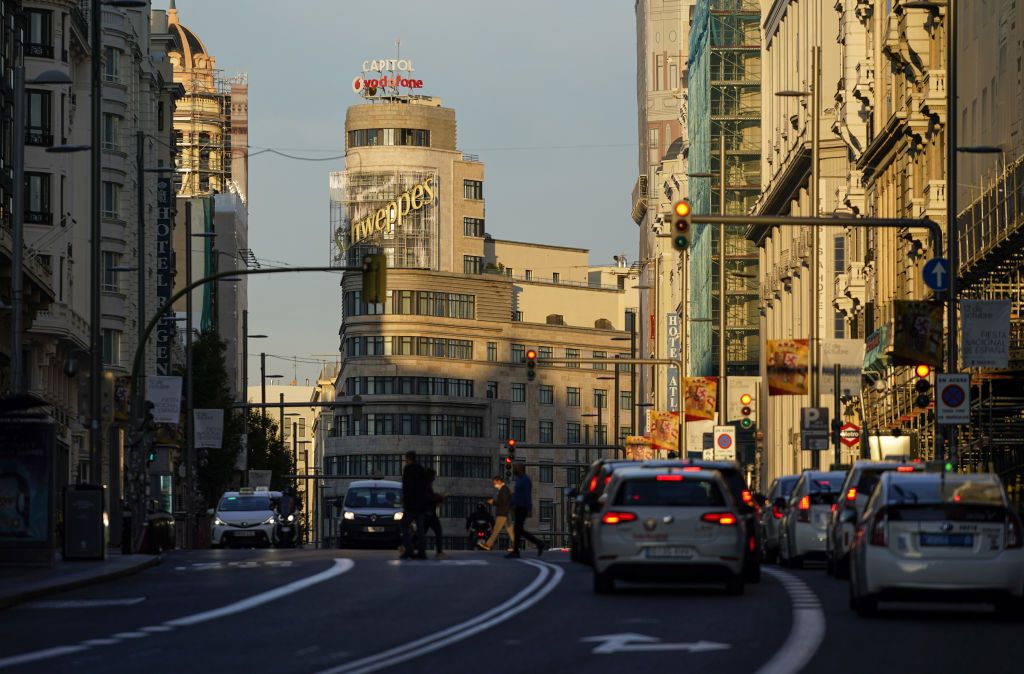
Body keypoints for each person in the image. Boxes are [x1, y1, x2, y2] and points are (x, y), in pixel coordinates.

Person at [506, 463, 547, 558]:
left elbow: (527, 495)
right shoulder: (519, 480)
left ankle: (517, 551)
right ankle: (538, 543)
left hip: (523, 508)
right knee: (519, 530)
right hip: (517, 508)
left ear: (521, 469)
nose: (514, 470)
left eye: (516, 467)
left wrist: (529, 508)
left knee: (517, 530)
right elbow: (517, 494)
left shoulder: (525, 480)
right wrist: (511, 503)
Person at [400, 450, 430, 560]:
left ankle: (409, 550)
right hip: (421, 505)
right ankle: (422, 551)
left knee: (404, 526)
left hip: (411, 505)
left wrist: (404, 499)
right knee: (420, 529)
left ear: (408, 458)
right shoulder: (421, 469)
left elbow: (406, 487)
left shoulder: (408, 469)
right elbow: (425, 486)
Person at [478, 476, 513, 552]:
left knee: (496, 530)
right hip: (506, 512)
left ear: (499, 481)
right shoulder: (504, 489)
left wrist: (493, 502)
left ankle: (488, 545)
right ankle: (516, 546)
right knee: (510, 530)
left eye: (495, 483)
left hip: (502, 513)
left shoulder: (503, 489)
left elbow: (502, 501)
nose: (494, 485)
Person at [424, 469, 448, 560]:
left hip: (430, 513)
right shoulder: (425, 485)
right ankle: (439, 552)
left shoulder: (428, 485)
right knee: (436, 531)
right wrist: (438, 497)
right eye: (433, 476)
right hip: (428, 513)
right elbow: (427, 498)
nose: (434, 478)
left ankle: (439, 551)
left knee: (424, 532)